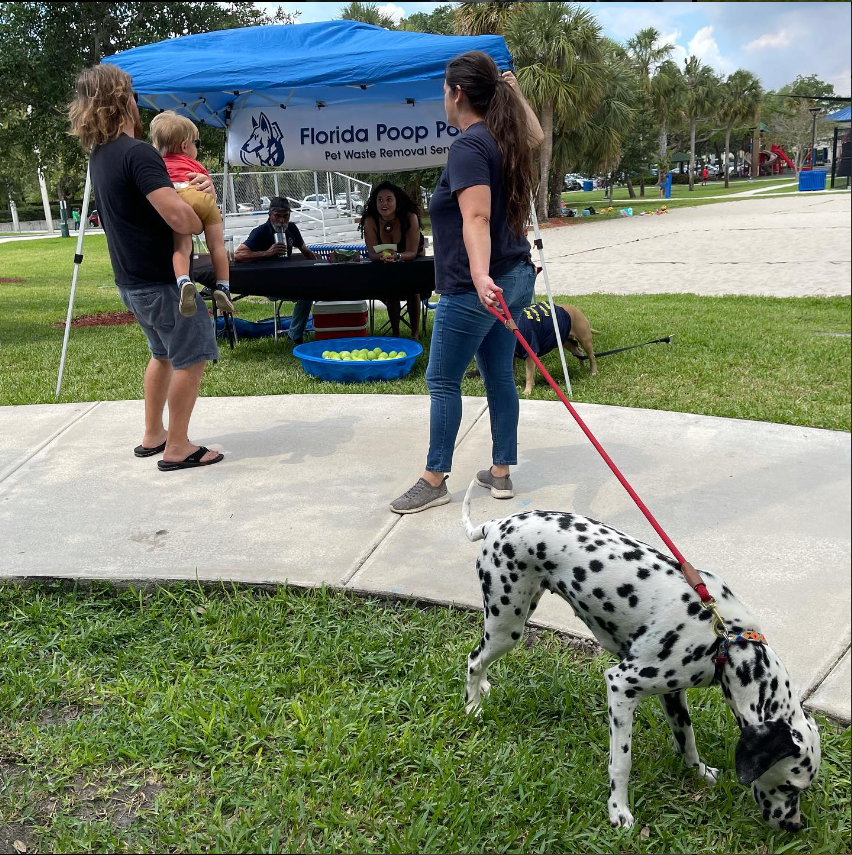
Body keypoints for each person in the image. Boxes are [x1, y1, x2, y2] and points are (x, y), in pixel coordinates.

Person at [390, 52, 543, 514]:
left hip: (479, 285)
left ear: (457, 93)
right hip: (516, 275)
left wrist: (479, 275)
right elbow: (535, 135)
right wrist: (514, 92)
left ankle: (434, 479)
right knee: (498, 374)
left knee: (441, 380)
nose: (442, 96)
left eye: (443, 89)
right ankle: (500, 474)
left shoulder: (469, 146)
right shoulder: (506, 140)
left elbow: (475, 214)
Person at [68, 64, 224, 471]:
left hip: (131, 281)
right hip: (164, 281)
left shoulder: (100, 156)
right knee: (191, 356)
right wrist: (202, 209)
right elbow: (179, 219)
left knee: (162, 355)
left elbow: (144, 207)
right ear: (124, 102)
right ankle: (177, 446)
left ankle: (154, 434)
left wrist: (192, 190)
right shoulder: (138, 153)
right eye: (133, 96)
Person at [149, 111, 234, 318]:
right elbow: (209, 194)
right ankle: (223, 287)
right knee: (217, 246)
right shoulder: (196, 166)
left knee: (182, 247)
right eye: (196, 143)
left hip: (177, 198)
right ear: (185, 146)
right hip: (198, 195)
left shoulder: (157, 165)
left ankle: (184, 281)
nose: (197, 148)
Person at [233, 197, 318, 345]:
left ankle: (298, 334)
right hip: (269, 283)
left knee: (310, 292)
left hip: (290, 280)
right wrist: (267, 253)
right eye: (277, 215)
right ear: (270, 215)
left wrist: (322, 265)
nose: (281, 220)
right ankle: (295, 337)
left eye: (285, 216)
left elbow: (306, 252)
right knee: (305, 294)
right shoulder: (260, 232)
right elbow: (238, 254)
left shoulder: (291, 229)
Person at [361, 181, 426, 338]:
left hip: (412, 264)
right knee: (391, 288)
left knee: (413, 289)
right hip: (386, 268)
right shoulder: (371, 221)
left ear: (397, 202)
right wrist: (384, 256)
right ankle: (395, 333)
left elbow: (411, 252)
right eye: (380, 200)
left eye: (389, 199)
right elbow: (372, 254)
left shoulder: (410, 218)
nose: (384, 203)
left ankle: (415, 334)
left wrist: (396, 256)